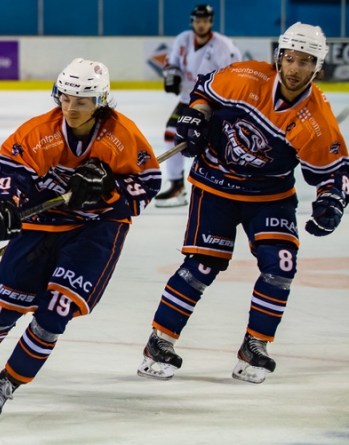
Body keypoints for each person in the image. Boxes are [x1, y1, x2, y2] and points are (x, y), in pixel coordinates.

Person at [0, 58, 161, 420]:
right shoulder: (38, 131)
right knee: (1, 310)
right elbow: (7, 171)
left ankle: (9, 381)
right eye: (65, 98)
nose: (71, 108)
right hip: (42, 223)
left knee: (54, 313)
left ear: (100, 102)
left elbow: (148, 184)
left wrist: (108, 189)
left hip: (94, 230)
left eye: (82, 101)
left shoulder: (122, 136)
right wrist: (4, 206)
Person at [137, 22, 348, 384]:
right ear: (279, 57)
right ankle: (160, 341)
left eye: (305, 62)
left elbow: (333, 172)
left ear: (318, 68)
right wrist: (196, 114)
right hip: (215, 184)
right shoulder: (245, 77)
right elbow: (203, 90)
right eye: (290, 58)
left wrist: (332, 201)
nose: (295, 68)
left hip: (269, 196)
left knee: (280, 267)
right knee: (202, 265)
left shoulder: (317, 120)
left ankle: (256, 345)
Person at [155, 4, 241, 207]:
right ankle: (177, 184)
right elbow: (172, 62)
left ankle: (222, 184)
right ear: (192, 21)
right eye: (198, 20)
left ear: (210, 22)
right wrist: (172, 75)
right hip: (187, 99)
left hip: (213, 102)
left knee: (217, 143)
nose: (201, 25)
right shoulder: (183, 39)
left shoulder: (224, 46)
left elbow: (233, 74)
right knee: (171, 135)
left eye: (205, 21)